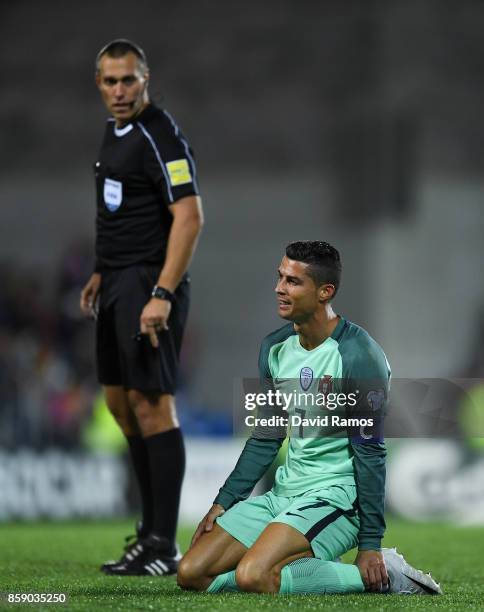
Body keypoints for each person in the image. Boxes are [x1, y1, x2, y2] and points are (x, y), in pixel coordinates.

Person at [177, 241, 442, 596]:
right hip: (285, 493)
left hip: (338, 498)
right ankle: (281, 567)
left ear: (324, 292)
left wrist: (370, 543)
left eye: (292, 281)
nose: (279, 288)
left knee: (254, 575)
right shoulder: (274, 348)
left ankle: (384, 576)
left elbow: (370, 452)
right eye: (280, 276)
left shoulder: (358, 355)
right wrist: (224, 500)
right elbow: (266, 437)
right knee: (191, 572)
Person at [80, 39, 203, 576]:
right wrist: (103, 269)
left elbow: (190, 216)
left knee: (152, 404)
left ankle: (162, 542)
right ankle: (148, 535)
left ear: (146, 79)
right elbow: (122, 211)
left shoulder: (160, 135)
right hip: (119, 282)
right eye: (110, 81)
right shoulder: (116, 131)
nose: (120, 90)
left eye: (129, 80)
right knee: (119, 403)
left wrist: (162, 293)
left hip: (150, 284)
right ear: (99, 84)